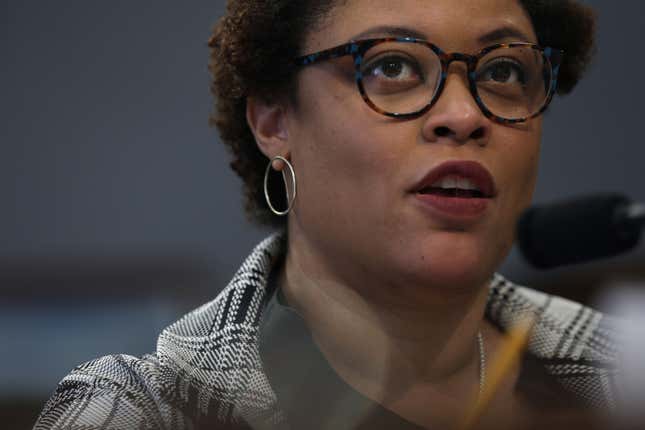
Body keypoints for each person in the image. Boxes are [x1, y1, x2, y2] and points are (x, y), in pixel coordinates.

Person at [35, 1, 620, 429]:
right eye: (392, 67)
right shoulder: (136, 413)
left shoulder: (620, 378)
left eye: (503, 71)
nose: (465, 115)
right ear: (273, 121)